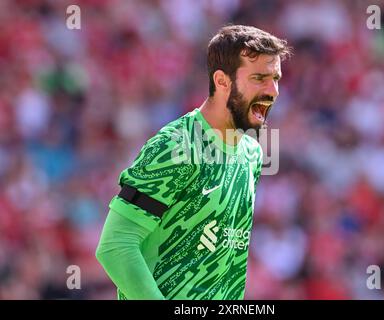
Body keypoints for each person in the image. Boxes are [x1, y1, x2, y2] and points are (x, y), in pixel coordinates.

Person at [96, 24, 291, 300]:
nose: (273, 91)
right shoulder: (176, 146)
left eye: (276, 78)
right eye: (259, 78)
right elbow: (115, 246)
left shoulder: (252, 154)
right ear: (222, 81)